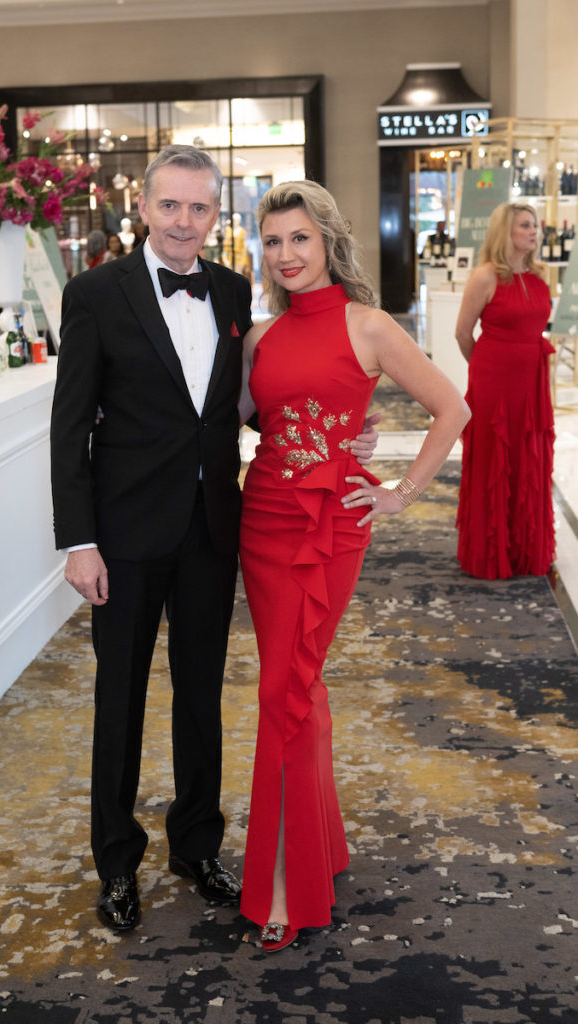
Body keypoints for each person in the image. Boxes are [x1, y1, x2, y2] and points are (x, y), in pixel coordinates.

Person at [51, 146, 378, 935]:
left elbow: (249, 403)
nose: (183, 223)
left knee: (202, 695)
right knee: (119, 701)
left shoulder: (234, 291)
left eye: (200, 209)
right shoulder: (94, 293)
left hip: (212, 530)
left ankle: (195, 846)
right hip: (124, 534)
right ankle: (118, 862)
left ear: (214, 214)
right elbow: (69, 430)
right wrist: (78, 541)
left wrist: (338, 433)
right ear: (145, 208)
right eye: (170, 206)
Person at [237, 180, 470, 952]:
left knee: (284, 689)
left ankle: (282, 882)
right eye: (272, 242)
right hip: (263, 520)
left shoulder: (368, 326)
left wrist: (401, 491)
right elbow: (241, 419)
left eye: (299, 239)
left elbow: (452, 407)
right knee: (296, 686)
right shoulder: (258, 336)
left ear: (328, 241)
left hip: (333, 526)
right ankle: (320, 848)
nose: (285, 255)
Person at [454, 202, 554, 580]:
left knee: (528, 458)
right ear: (505, 231)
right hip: (494, 378)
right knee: (493, 459)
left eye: (536, 226)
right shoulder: (485, 277)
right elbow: (463, 334)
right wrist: (484, 370)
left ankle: (525, 549)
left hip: (531, 378)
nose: (535, 232)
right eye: (526, 225)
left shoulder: (540, 277)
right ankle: (492, 552)